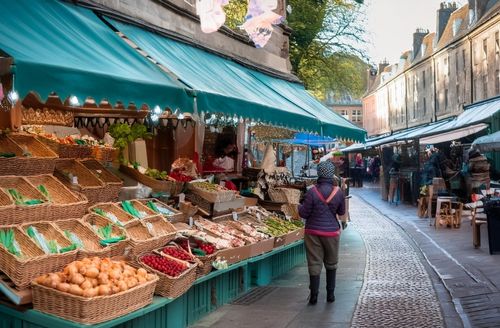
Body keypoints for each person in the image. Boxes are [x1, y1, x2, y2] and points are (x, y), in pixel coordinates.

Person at [298, 160, 345, 305]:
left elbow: (304, 213)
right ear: (332, 174)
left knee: (314, 263)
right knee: (331, 263)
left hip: (312, 232)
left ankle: (314, 296)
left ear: (319, 173)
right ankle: (330, 295)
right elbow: (341, 212)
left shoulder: (312, 192)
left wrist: (298, 207)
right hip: (331, 232)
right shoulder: (339, 192)